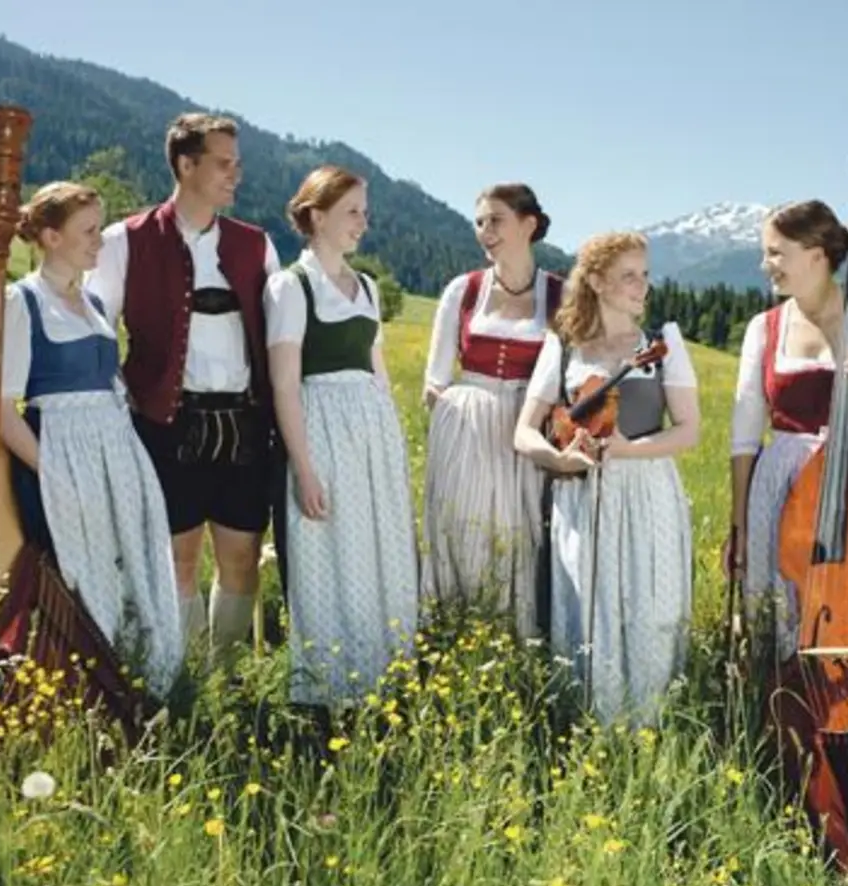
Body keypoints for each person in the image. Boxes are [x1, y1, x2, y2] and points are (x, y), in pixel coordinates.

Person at [86, 113, 283, 674]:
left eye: (237, 164)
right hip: (164, 422)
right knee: (179, 557)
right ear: (185, 164)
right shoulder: (124, 241)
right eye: (224, 163)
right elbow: (97, 335)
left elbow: (277, 340)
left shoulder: (256, 246)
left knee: (243, 556)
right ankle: (188, 671)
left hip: (243, 424)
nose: (235, 175)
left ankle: (226, 672)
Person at [0, 181, 183, 702]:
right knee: (76, 575)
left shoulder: (95, 301)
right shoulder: (23, 302)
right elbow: (1, 410)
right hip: (62, 452)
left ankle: (131, 683)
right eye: (88, 230)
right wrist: (53, 471)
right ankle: (79, 691)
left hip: (114, 451)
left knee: (131, 563)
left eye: (100, 228)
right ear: (51, 237)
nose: (99, 241)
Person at [513, 231, 701, 728]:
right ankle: (590, 728)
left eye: (645, 274)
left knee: (649, 606)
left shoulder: (662, 340)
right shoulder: (564, 346)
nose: (642, 286)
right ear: (595, 281)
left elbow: (689, 431)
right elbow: (524, 434)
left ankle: (650, 726)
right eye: (628, 276)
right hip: (584, 497)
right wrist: (561, 461)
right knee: (589, 607)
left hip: (648, 491)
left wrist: (626, 450)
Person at [726, 199, 848, 665]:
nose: (766, 264)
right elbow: (744, 438)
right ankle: (776, 709)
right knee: (775, 612)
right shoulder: (763, 328)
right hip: (778, 487)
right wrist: (739, 523)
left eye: (776, 253)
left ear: (816, 255)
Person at [264, 165, 420, 710]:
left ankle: (385, 676)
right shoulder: (290, 286)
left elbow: (377, 372)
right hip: (322, 430)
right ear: (316, 216)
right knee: (330, 553)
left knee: (382, 548)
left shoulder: (368, 287)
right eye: (352, 211)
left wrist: (393, 448)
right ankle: (332, 691)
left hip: (371, 434)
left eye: (365, 212)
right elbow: (285, 383)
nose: (363, 223)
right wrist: (303, 467)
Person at [420, 183, 562, 639]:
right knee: (464, 530)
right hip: (467, 426)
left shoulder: (560, 295)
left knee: (523, 533)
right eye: (479, 222)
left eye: (496, 220)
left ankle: (515, 640)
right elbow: (436, 377)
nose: (485, 231)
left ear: (529, 224)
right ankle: (454, 631)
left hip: (528, 426)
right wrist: (452, 426)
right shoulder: (463, 290)